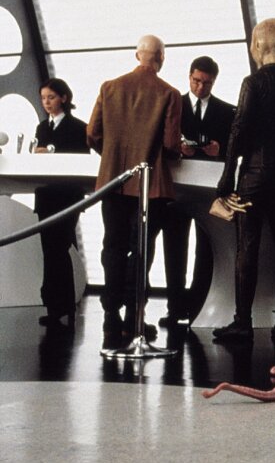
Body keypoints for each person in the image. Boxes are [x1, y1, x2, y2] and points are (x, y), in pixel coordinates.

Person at [212, 18, 275, 343]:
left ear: (257, 46)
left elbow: (238, 130)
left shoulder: (252, 83)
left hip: (253, 175)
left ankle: (242, 322)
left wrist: (226, 178)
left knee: (247, 248)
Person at [87, 35, 182, 337]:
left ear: (136, 55)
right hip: (149, 188)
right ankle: (134, 316)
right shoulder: (169, 93)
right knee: (141, 251)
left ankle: (110, 313)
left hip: (113, 182)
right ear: (161, 58)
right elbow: (171, 145)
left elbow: (92, 134)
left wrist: (112, 156)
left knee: (112, 247)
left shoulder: (109, 88)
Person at [159, 56, 235, 327]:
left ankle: (197, 308)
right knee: (174, 248)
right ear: (189, 76)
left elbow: (237, 149)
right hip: (178, 188)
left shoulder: (227, 111)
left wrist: (220, 150)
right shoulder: (172, 105)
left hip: (209, 190)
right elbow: (158, 142)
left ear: (214, 82)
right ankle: (175, 308)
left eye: (207, 83)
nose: (201, 87)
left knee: (207, 250)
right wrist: (177, 148)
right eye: (196, 81)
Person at [32, 78, 90, 330]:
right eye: (44, 98)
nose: (46, 102)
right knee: (49, 251)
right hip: (46, 196)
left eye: (51, 97)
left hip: (67, 197)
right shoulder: (41, 128)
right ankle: (54, 306)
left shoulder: (79, 128)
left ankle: (67, 303)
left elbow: (80, 160)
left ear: (64, 98)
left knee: (62, 248)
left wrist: (51, 153)